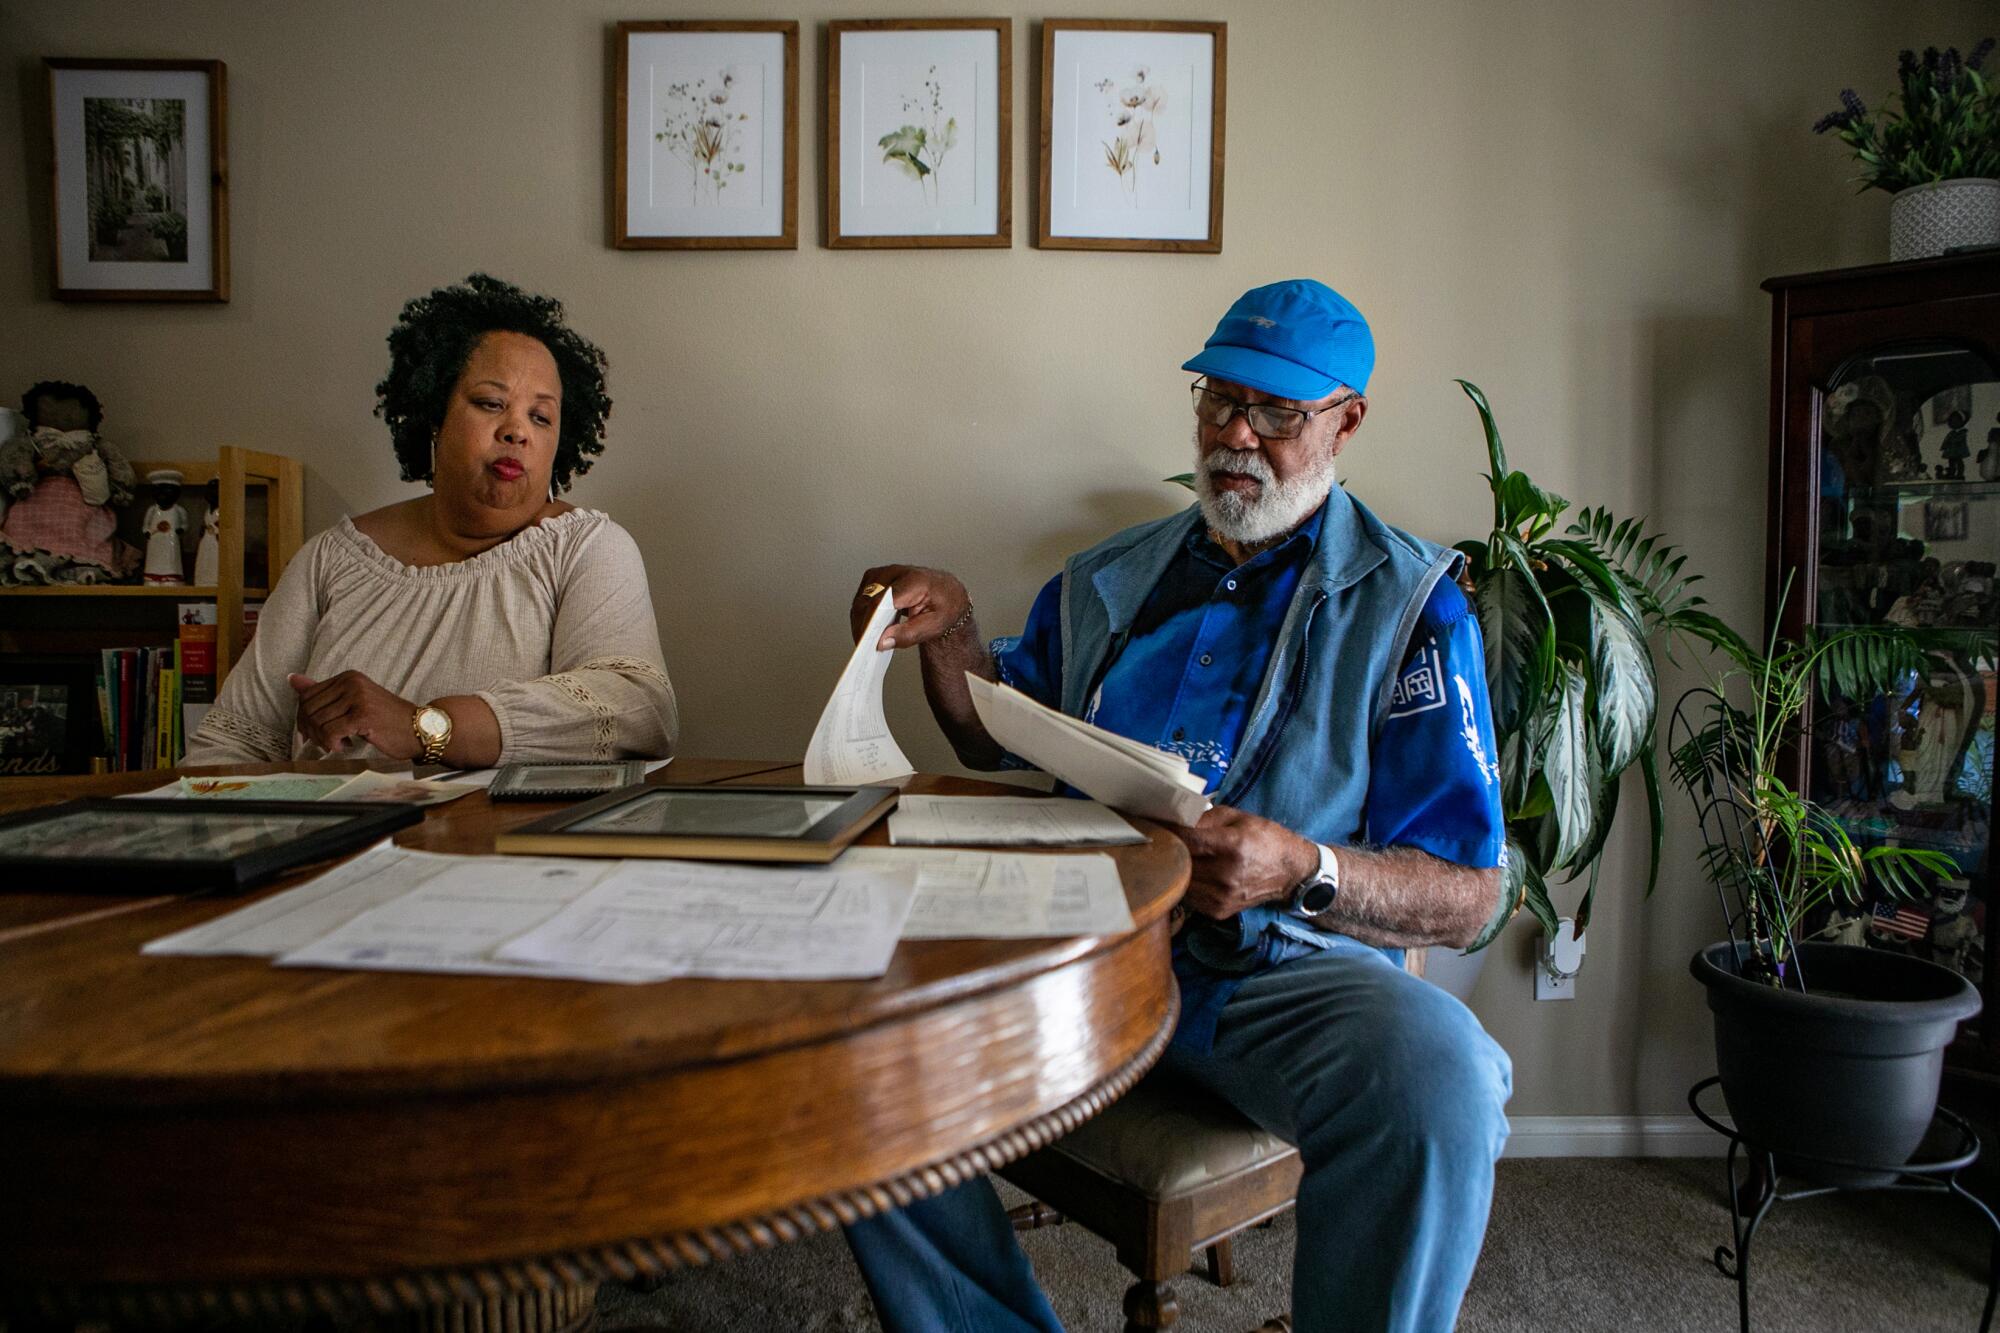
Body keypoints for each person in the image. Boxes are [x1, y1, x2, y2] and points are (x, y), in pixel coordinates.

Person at [843, 280, 1511, 1333]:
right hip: (1075, 952)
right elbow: (998, 735)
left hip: (1276, 979)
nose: (1236, 435)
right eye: (1218, 401)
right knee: (848, 1032)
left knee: (1439, 1074)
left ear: (1347, 420)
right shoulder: (1109, 579)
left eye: (1277, 414)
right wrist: (955, 630)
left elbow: (1470, 896)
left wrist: (1303, 866)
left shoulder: (1409, 605)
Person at [185, 274, 677, 768]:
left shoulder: (585, 548)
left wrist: (424, 726)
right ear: (433, 417)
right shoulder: (330, 561)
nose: (516, 431)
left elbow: (636, 709)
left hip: (505, 842)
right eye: (490, 404)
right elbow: (231, 747)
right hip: (332, 838)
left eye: (541, 417)